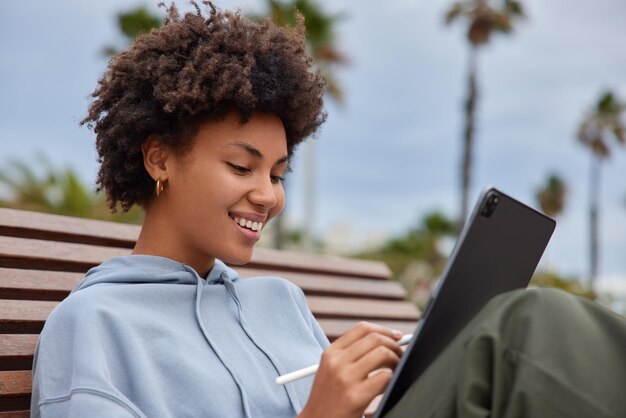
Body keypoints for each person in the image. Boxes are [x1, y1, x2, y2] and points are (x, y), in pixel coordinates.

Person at [31, 2, 626, 418]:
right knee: (528, 332)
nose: (267, 194)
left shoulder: (279, 301)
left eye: (278, 173)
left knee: (515, 335)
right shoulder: (96, 327)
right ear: (159, 158)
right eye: (242, 167)